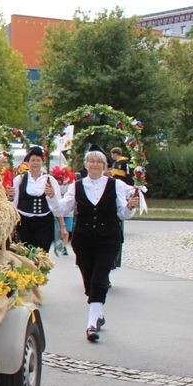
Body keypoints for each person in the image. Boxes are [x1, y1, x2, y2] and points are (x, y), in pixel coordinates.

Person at [54, 146, 141, 341]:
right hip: (83, 238)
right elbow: (62, 208)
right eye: (91, 161)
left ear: (104, 165)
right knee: (88, 278)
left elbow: (122, 213)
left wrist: (129, 207)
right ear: (86, 165)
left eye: (99, 161)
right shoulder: (76, 186)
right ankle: (98, 313)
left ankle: (91, 323)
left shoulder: (115, 185)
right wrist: (52, 196)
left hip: (108, 237)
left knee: (99, 277)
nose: (94, 164)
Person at [7, 145, 60, 252]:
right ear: (28, 162)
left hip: (44, 223)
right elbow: (14, 203)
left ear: (42, 162)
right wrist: (10, 197)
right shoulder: (20, 179)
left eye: (38, 160)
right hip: (24, 223)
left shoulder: (50, 180)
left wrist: (52, 195)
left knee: (41, 254)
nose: (35, 163)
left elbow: (58, 205)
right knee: (24, 254)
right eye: (33, 160)